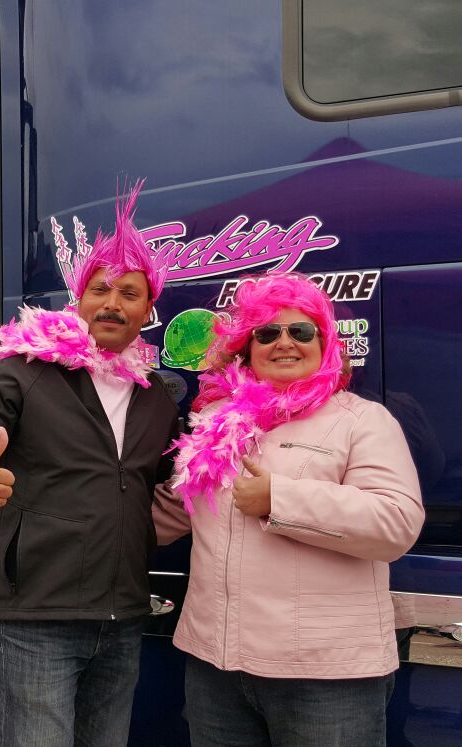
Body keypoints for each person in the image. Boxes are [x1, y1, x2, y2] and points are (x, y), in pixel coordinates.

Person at [0, 185, 180, 746]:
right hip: (42, 617)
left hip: (123, 616)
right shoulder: (24, 372)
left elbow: (174, 483)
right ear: (78, 299)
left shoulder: (158, 397)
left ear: (147, 310)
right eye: (99, 289)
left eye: (129, 293)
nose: (112, 303)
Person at [154, 272, 424, 747]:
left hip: (324, 676)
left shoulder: (361, 420)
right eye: (266, 333)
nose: (284, 342)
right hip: (216, 667)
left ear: (325, 343)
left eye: (300, 331)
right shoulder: (215, 423)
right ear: (247, 349)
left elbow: (396, 523)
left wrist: (278, 499)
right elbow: (175, 511)